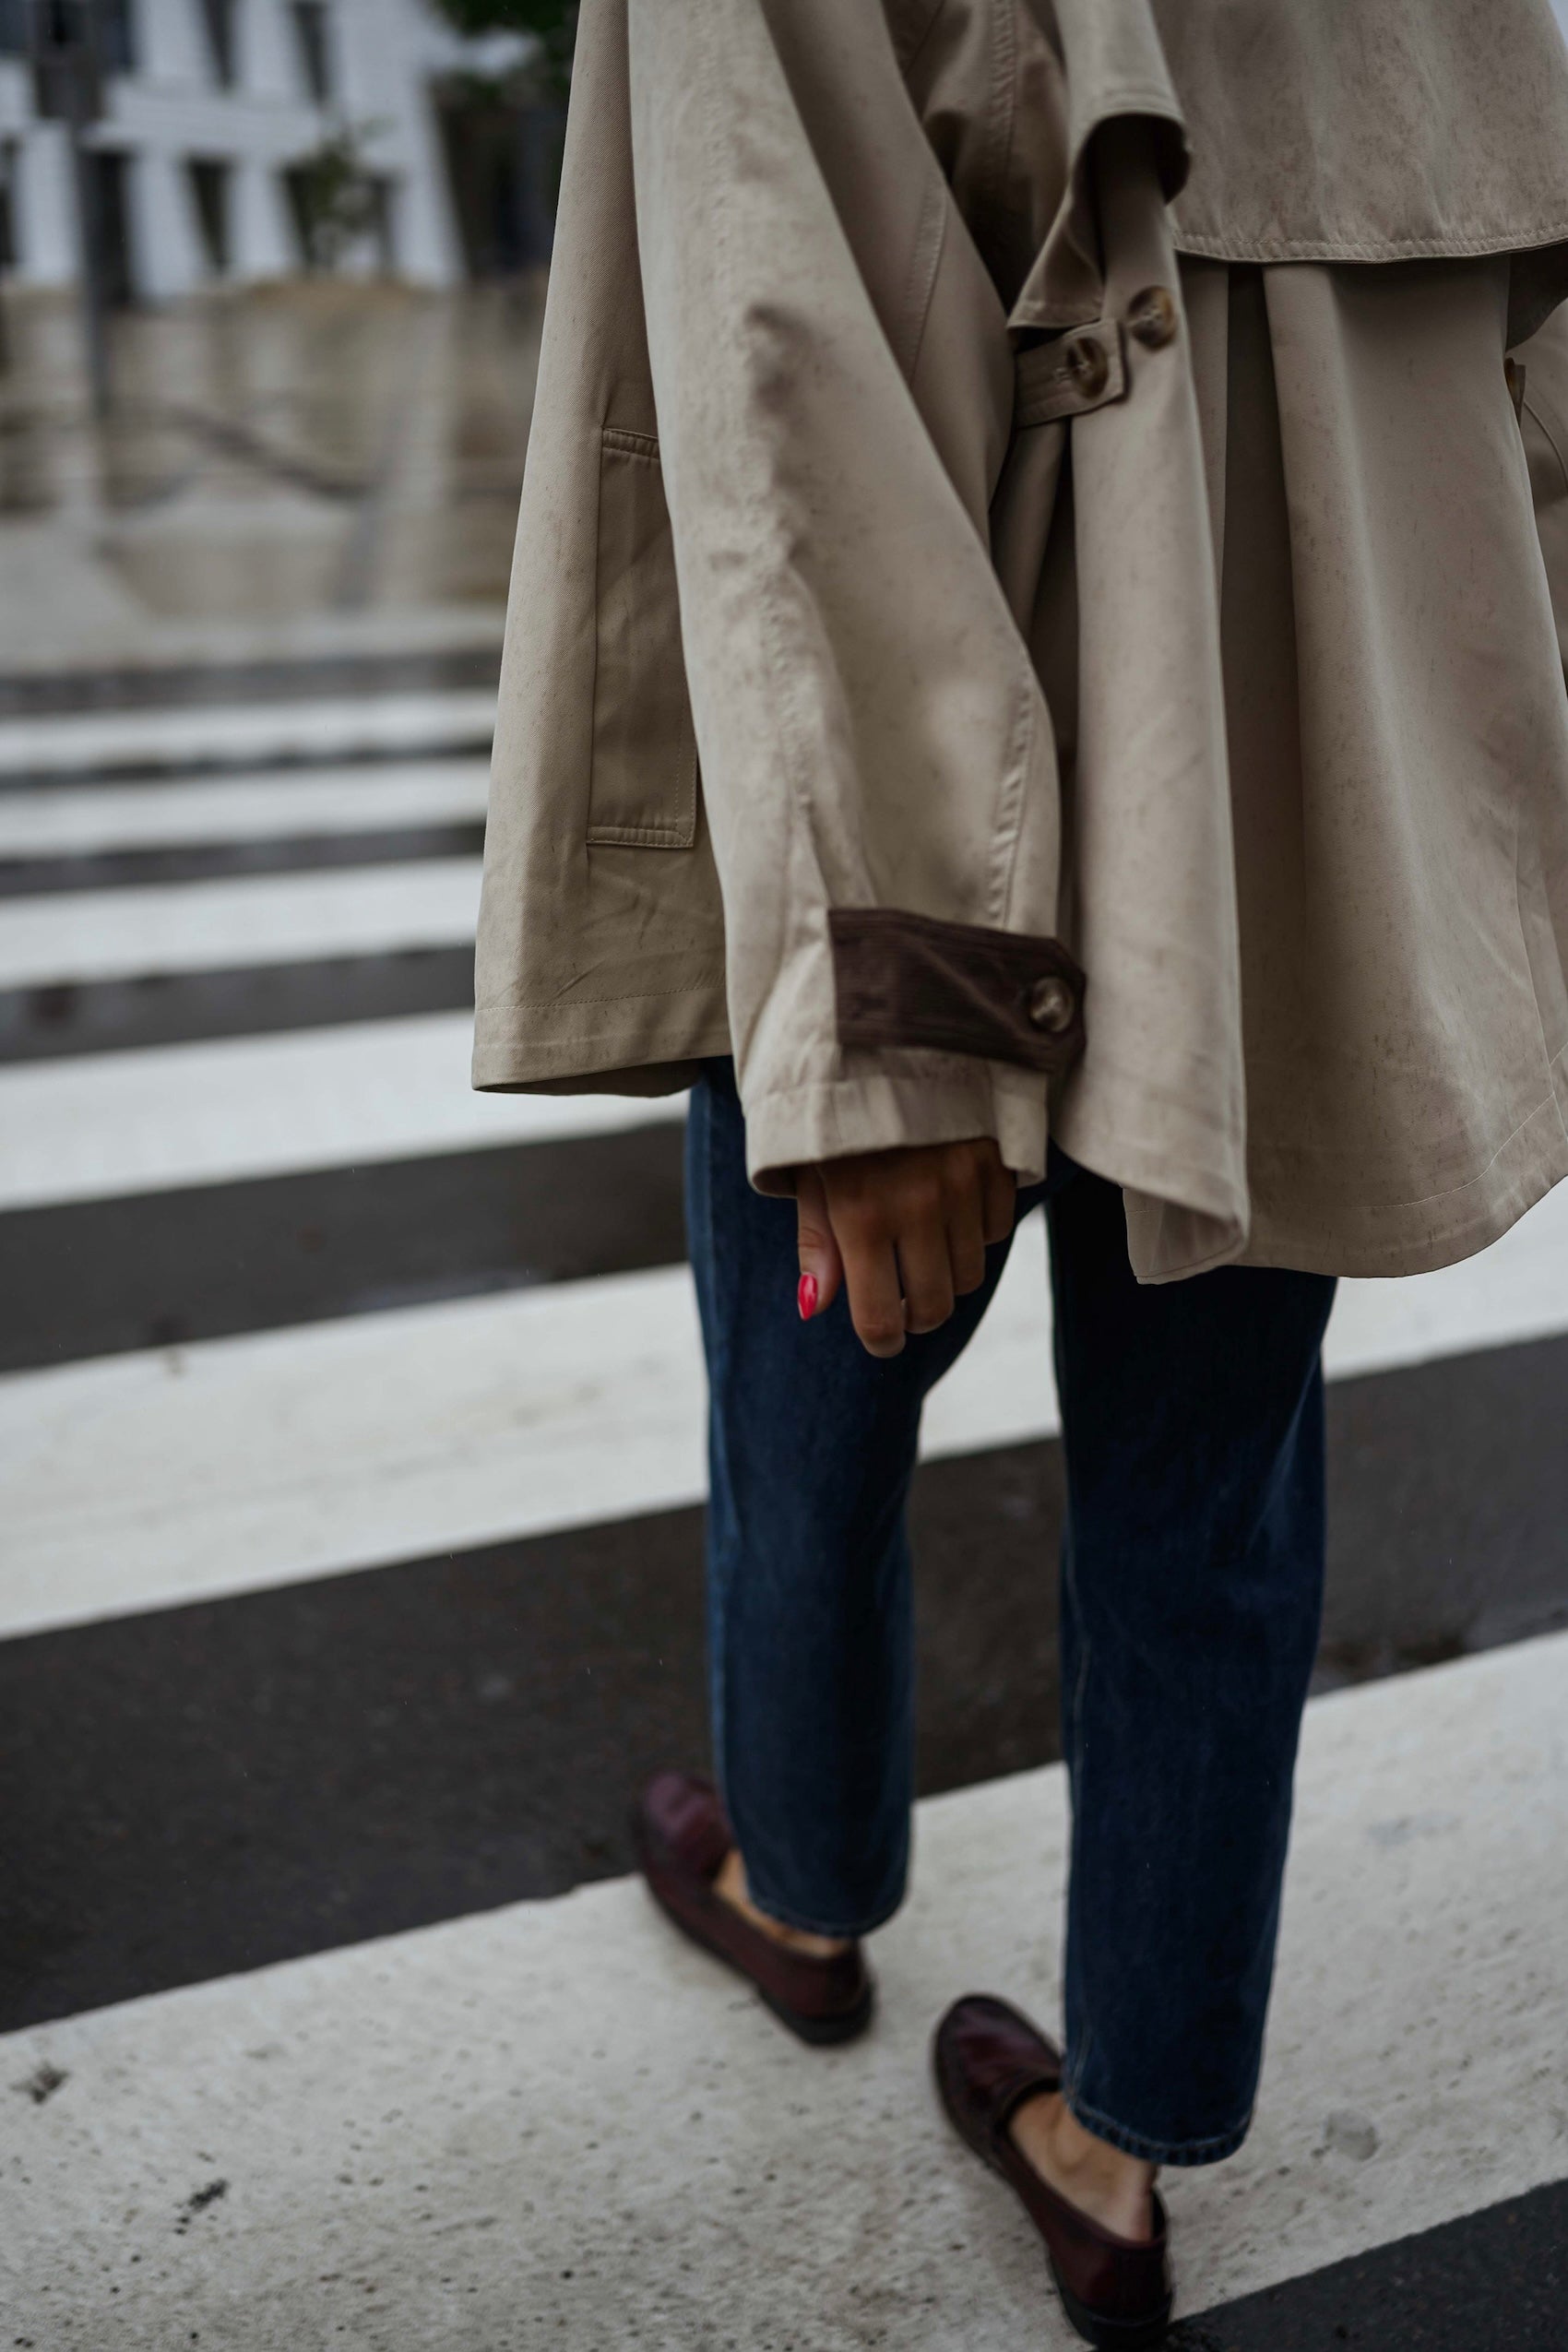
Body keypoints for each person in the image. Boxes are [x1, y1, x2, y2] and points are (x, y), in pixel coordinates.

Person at [474, 3, 1568, 2340]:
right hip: (1295, 847)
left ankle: (802, 1888)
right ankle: (1120, 2142)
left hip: (927, 868)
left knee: (811, 1424)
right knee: (1210, 1515)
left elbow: (790, 359)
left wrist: (882, 1027)